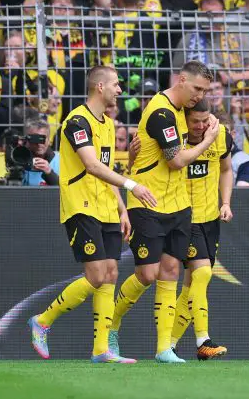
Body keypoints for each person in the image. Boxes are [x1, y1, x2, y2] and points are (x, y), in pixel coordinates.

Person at [28, 66, 157, 364]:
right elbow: (92, 166)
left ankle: (101, 349)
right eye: (116, 85)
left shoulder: (109, 125)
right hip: (81, 206)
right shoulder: (77, 121)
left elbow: (106, 170)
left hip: (107, 208)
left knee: (111, 274)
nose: (120, 91)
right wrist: (132, 186)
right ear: (100, 87)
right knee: (97, 275)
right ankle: (43, 320)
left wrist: (121, 208)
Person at [110, 60, 221, 363]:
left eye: (205, 91)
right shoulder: (161, 112)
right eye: (197, 88)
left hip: (179, 205)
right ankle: (112, 322)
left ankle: (163, 349)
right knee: (147, 274)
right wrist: (209, 140)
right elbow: (175, 160)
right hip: (147, 202)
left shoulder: (183, 113)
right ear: (181, 80)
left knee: (171, 272)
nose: (199, 95)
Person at [169, 100, 234, 361]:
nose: (200, 126)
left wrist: (226, 202)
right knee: (204, 272)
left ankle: (169, 346)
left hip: (209, 220)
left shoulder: (221, 136)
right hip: (184, 218)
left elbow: (227, 169)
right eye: (195, 121)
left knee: (190, 287)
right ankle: (203, 340)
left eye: (204, 121)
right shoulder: (174, 140)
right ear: (184, 120)